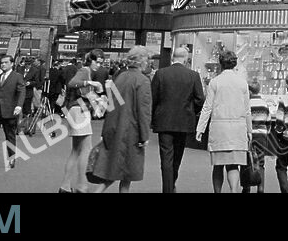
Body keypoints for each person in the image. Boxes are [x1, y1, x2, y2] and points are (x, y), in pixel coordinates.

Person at [90, 45, 152, 193]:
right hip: (131, 132)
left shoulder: (120, 77)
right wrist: (145, 135)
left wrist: (106, 130)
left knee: (114, 171)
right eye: (147, 59)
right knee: (126, 173)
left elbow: (111, 105)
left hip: (115, 127)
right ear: (142, 61)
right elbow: (143, 111)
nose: (148, 63)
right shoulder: (142, 81)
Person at [150, 44, 205, 193]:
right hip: (184, 121)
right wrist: (191, 111)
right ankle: (172, 182)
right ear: (186, 59)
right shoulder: (193, 75)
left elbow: (153, 98)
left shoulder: (160, 74)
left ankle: (167, 188)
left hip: (164, 121)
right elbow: (200, 99)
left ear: (172, 57)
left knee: (166, 157)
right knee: (177, 156)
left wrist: (153, 118)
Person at [196, 49, 251, 193]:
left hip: (219, 129)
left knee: (218, 165)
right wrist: (249, 130)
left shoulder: (215, 82)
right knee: (233, 164)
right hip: (238, 129)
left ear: (220, 63)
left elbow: (207, 107)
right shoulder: (242, 83)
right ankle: (233, 190)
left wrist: (200, 128)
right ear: (235, 64)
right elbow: (247, 110)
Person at [57, 51, 104, 193]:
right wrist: (90, 83)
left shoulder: (86, 71)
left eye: (101, 62)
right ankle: (81, 186)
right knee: (86, 149)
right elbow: (72, 83)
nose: (99, 65)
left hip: (75, 110)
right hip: (79, 111)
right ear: (91, 60)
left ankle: (65, 186)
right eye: (97, 62)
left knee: (76, 150)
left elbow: (81, 91)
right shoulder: (85, 71)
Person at [243, 81, 271, 194]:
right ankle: (261, 187)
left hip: (249, 135)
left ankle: (246, 187)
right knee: (260, 161)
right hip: (261, 135)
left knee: (247, 161)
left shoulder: (246, 103)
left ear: (249, 91)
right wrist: (266, 131)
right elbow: (268, 121)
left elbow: (244, 119)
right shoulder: (264, 104)